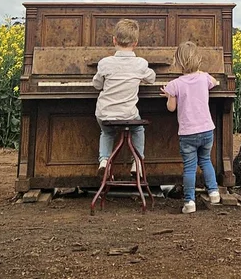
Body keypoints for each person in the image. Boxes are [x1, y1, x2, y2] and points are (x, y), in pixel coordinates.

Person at [92, 19, 156, 175]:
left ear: (114, 40)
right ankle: (137, 162)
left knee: (107, 132)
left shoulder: (104, 63)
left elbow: (97, 85)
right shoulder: (140, 64)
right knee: (138, 129)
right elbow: (152, 78)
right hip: (128, 113)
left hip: (105, 112)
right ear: (135, 43)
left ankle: (104, 160)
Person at [162, 41, 220, 214]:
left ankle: (189, 202)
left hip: (188, 134)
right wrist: (203, 74)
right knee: (206, 161)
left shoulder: (175, 84)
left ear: (178, 62)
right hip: (207, 130)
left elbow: (171, 108)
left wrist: (168, 95)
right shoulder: (205, 78)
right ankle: (214, 192)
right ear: (198, 60)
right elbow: (214, 82)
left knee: (189, 167)